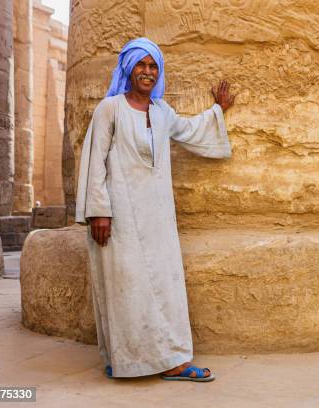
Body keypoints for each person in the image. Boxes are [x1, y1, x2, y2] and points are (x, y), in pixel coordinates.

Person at [75, 37, 235, 381]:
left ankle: (173, 360)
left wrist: (218, 110)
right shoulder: (111, 108)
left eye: (153, 67)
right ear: (128, 69)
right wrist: (98, 211)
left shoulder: (162, 113)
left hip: (158, 218)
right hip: (119, 218)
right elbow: (95, 162)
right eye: (141, 65)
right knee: (126, 287)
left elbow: (191, 131)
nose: (147, 72)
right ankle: (127, 358)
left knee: (165, 288)